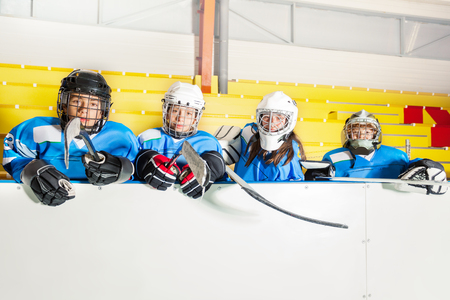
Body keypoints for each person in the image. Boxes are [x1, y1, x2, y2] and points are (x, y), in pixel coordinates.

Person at [2, 69, 139, 206]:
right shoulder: (37, 129)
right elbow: (12, 156)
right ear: (65, 105)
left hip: (105, 206)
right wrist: (31, 169)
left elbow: (137, 169)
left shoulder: (121, 136)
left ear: (102, 112)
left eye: (93, 104)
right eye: (77, 101)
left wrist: (121, 168)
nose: (84, 110)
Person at [314, 109, 447, 195]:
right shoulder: (332, 157)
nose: (361, 136)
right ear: (348, 134)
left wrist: (427, 164)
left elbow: (414, 168)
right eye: (355, 132)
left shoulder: (397, 156)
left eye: (367, 132)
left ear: (375, 134)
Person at [134, 81, 225, 199]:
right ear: (166, 112)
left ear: (195, 118)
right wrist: (144, 161)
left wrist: (213, 166)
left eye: (188, 113)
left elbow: (220, 181)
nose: (181, 118)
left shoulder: (208, 142)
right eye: (175, 111)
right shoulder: (146, 138)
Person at [216, 91, 305, 182]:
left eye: (279, 117)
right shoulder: (247, 135)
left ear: (289, 121)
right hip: (239, 194)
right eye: (266, 116)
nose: (272, 122)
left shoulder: (291, 153)